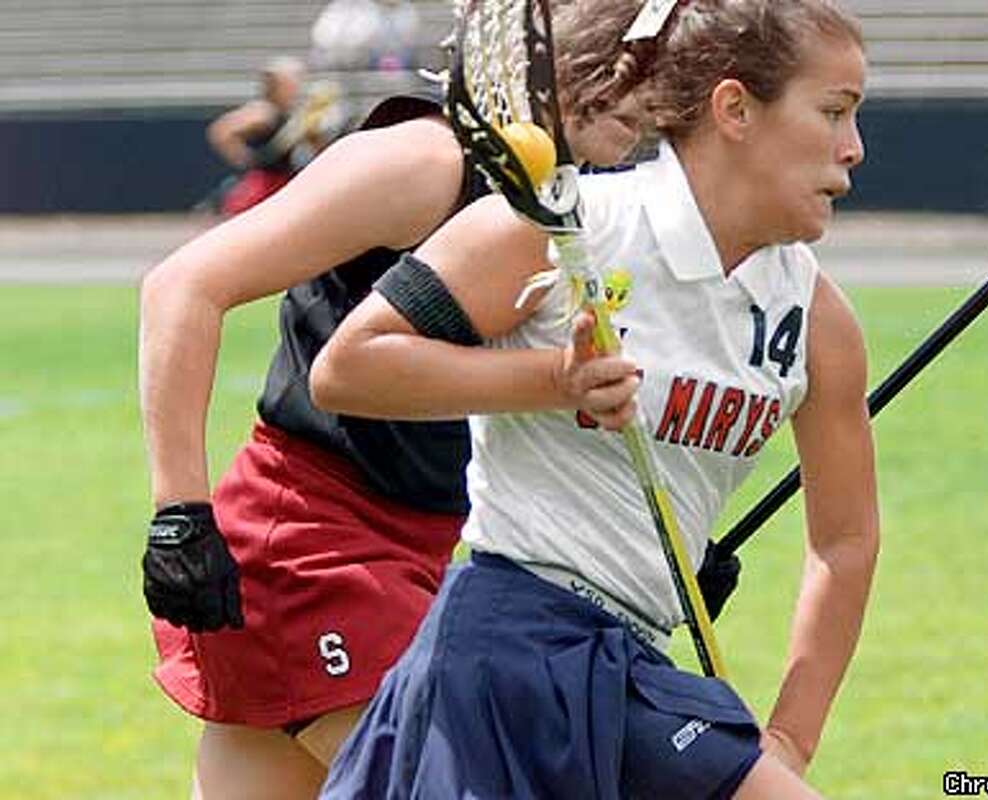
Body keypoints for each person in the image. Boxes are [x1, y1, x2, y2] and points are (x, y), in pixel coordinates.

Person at [311, 0, 879, 797]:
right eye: (834, 112)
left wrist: (790, 736)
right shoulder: (566, 228)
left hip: (631, 661)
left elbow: (845, 542)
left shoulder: (818, 322)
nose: (854, 149)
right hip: (504, 657)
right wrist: (553, 380)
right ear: (735, 109)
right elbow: (350, 367)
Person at [137, 2, 654, 796]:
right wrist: (180, 512)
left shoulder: (572, 200)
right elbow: (182, 286)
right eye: (630, 68)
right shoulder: (424, 162)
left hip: (423, 550)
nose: (654, 99)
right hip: (310, 546)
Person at [203, 56, 315, 216]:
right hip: (265, 185)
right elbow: (222, 131)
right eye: (292, 80)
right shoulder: (264, 111)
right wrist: (246, 159)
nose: (297, 86)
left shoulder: (290, 112)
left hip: (284, 181)